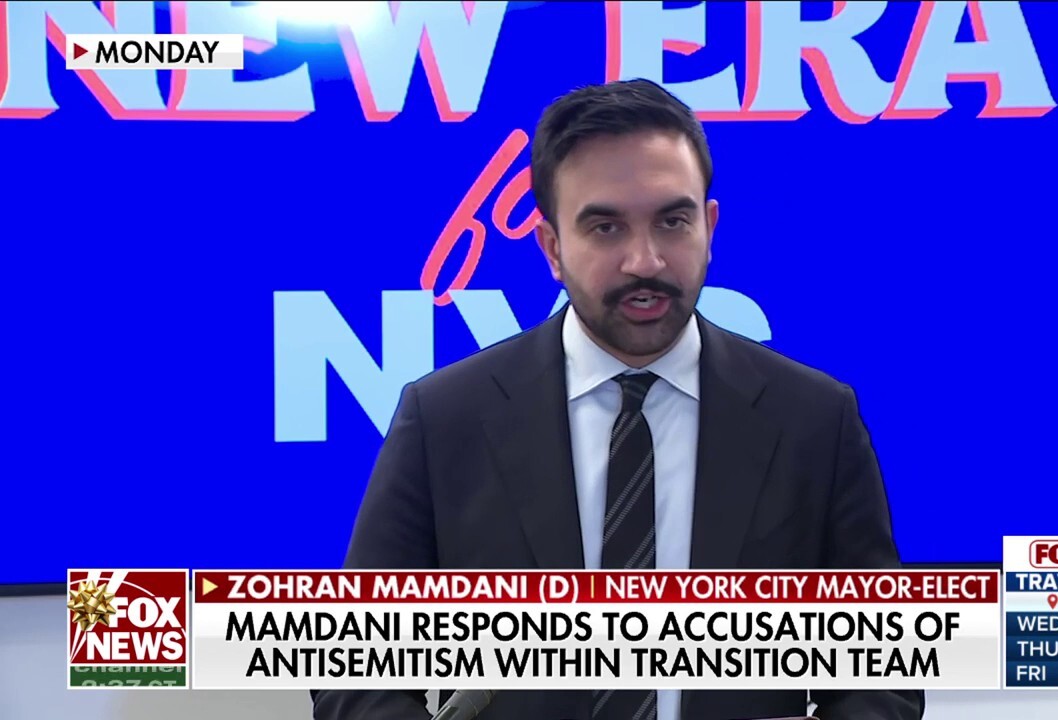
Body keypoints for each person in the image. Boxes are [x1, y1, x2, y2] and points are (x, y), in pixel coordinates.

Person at [312, 79, 923, 720]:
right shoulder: (445, 418)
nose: (645, 261)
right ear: (552, 248)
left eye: (673, 221)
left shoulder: (814, 420)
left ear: (710, 227)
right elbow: (356, 673)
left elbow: (883, 675)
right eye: (606, 228)